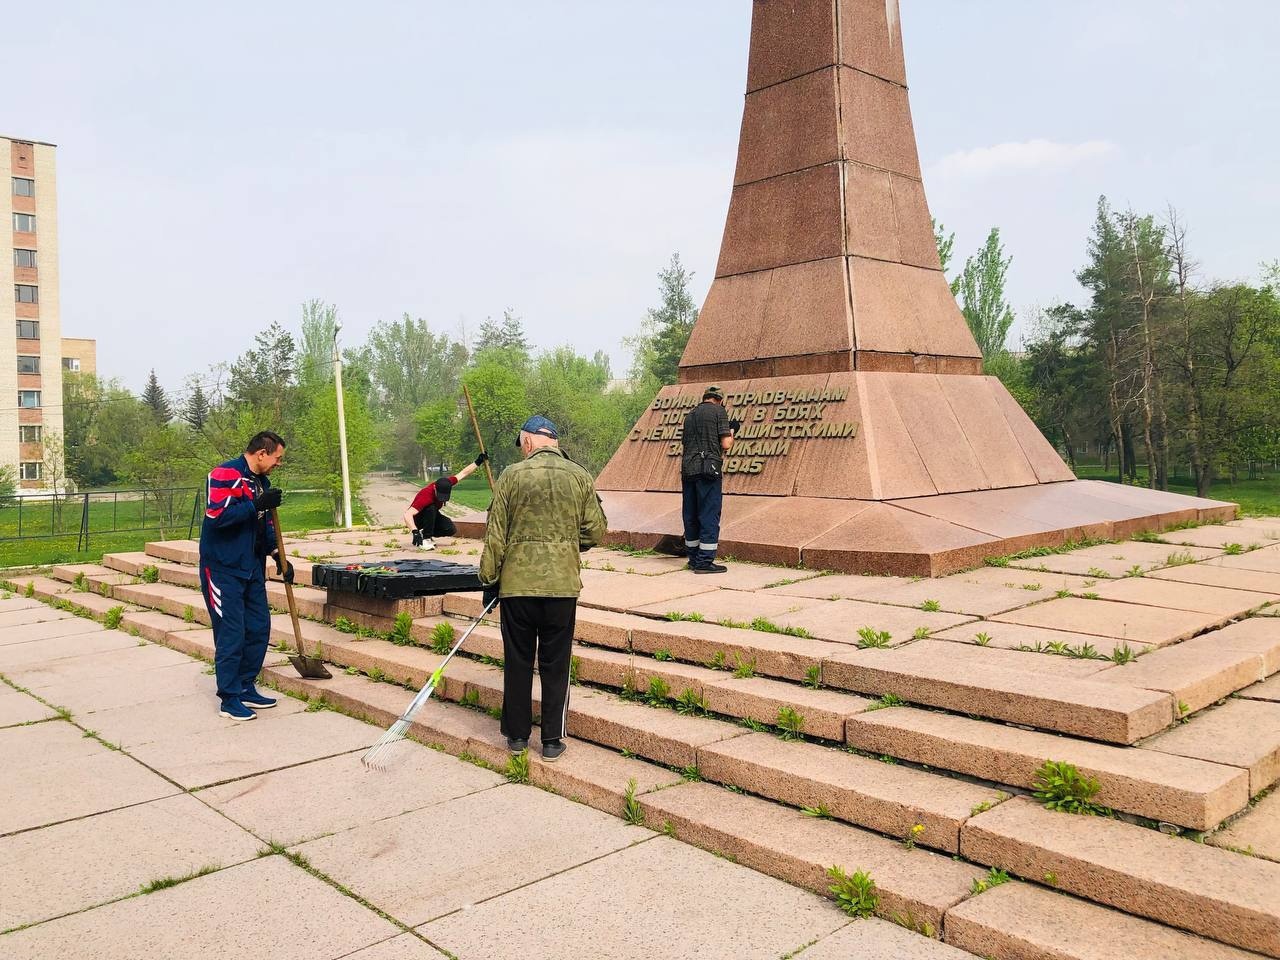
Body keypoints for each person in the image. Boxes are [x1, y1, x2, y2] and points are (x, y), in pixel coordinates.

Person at [479, 415, 607, 762]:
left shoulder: (510, 477)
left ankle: (518, 736)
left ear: (530, 441)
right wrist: (566, 544)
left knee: (517, 661)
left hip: (517, 587)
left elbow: (495, 535)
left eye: (522, 443)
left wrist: (488, 580)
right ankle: (552, 740)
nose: (522, 450)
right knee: (556, 663)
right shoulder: (580, 476)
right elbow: (594, 532)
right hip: (561, 586)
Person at [199, 430, 295, 721]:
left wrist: (277, 554)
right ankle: (229, 699)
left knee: (258, 627)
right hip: (223, 568)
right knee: (232, 633)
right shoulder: (225, 474)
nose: (279, 463)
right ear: (261, 453)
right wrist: (256, 505)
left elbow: (262, 524)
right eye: (277, 458)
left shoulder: (260, 483)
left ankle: (245, 686)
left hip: (251, 567)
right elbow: (218, 517)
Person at [680, 385, 739, 574]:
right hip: (708, 469)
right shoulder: (718, 411)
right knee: (709, 513)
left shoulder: (690, 415)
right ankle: (705, 561)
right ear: (720, 400)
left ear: (705, 397)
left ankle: (694, 557)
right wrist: (732, 431)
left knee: (691, 514)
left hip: (688, 469)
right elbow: (726, 444)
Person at [402, 452, 489, 550]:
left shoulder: (447, 483)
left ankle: (425, 533)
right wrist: (414, 532)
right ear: (435, 488)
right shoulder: (425, 495)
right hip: (418, 520)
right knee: (431, 508)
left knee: (450, 529)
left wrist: (478, 462)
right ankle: (425, 539)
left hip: (432, 516)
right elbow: (407, 515)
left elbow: (463, 473)